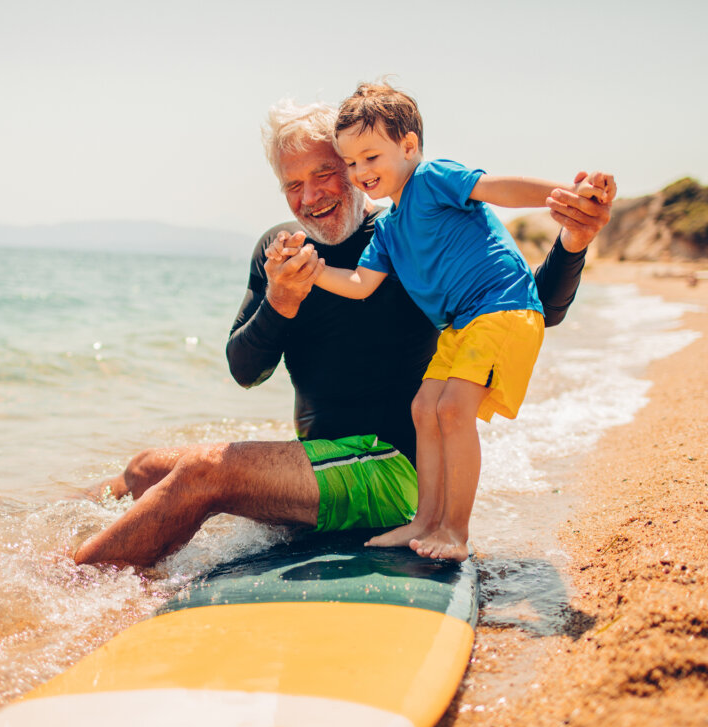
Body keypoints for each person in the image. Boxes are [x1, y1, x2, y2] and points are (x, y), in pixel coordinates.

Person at [73, 99, 616, 568]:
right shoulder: (280, 249)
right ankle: (93, 555)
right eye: (292, 184)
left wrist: (572, 241)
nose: (310, 198)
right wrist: (279, 301)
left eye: (326, 173)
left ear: (357, 169)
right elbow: (245, 370)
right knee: (143, 469)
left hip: (392, 468)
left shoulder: (404, 236)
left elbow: (531, 308)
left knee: (203, 472)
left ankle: (67, 581)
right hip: (327, 462)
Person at [297, 82, 610, 562]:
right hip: (461, 325)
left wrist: (564, 195)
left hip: (503, 307)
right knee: (424, 407)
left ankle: (456, 532)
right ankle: (424, 521)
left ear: (408, 146)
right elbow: (361, 283)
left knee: (453, 410)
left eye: (371, 157)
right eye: (352, 162)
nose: (360, 171)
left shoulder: (433, 178)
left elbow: (496, 188)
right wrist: (314, 271)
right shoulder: (388, 227)